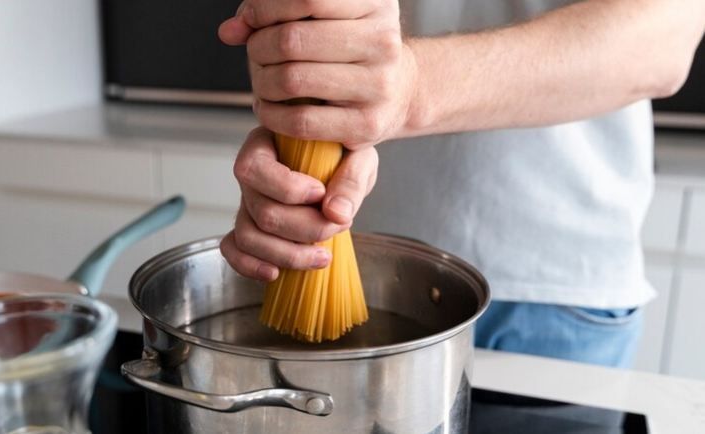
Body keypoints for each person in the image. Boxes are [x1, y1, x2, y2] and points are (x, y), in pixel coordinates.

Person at [217, 0, 705, 368]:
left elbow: (666, 35)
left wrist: (409, 90)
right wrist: (297, 136)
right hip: (371, 269)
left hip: (557, 293)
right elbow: (307, 27)